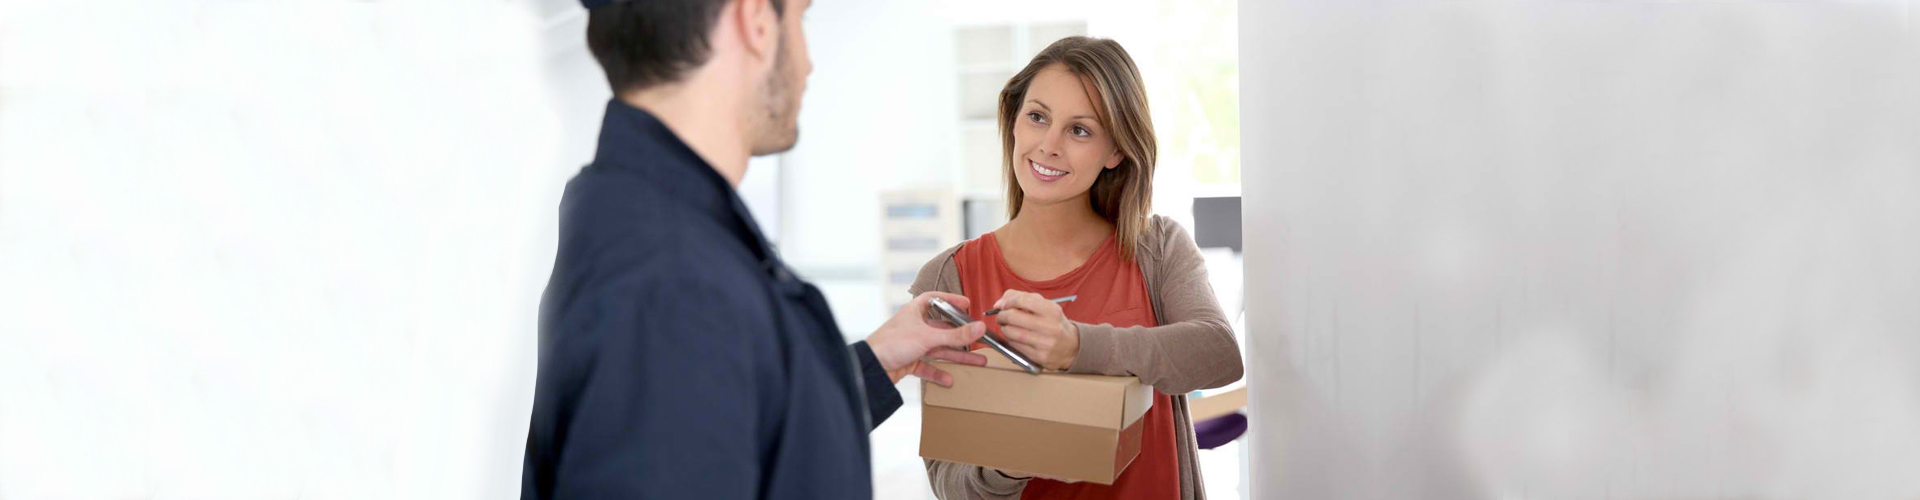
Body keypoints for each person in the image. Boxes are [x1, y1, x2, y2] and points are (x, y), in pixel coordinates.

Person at [520, 0, 991, 498]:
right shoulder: (674, 284)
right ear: (757, 21)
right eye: (801, 19)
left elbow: (737, 420)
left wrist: (878, 361)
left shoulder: (645, 229)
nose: (808, 63)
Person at [915, 36, 1244, 500]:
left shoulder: (1156, 248)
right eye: (1037, 117)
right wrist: (1010, 459)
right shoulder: (947, 278)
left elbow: (1219, 354)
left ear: (1115, 152)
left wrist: (1078, 347)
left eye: (1080, 130)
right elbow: (949, 482)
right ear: (1014, 123)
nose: (1048, 145)